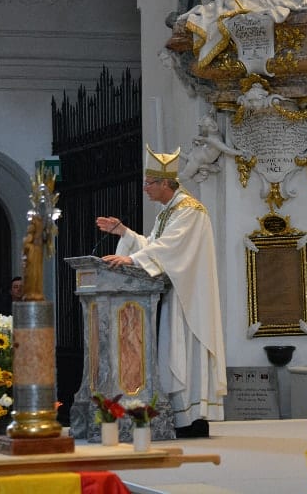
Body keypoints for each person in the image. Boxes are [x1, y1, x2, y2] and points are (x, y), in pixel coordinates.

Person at [96, 144, 227, 437]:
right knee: (172, 353)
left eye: (149, 183)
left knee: (185, 352)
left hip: (190, 297)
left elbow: (170, 248)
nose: (145, 188)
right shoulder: (168, 212)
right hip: (174, 293)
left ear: (166, 183)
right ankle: (180, 417)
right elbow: (155, 245)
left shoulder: (190, 210)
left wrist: (132, 259)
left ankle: (194, 419)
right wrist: (125, 233)